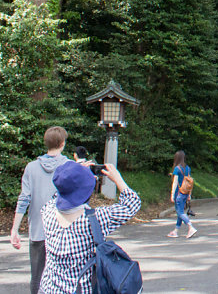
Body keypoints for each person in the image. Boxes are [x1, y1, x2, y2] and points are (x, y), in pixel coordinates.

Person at [39, 160, 141, 293]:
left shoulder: (47, 210)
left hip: (48, 289)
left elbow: (61, 191)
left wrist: (74, 174)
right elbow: (132, 204)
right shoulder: (95, 219)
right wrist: (117, 178)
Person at [10, 125, 70, 294]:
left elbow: (24, 199)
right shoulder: (69, 166)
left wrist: (15, 229)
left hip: (37, 228)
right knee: (63, 276)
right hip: (63, 229)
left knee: (36, 276)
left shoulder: (31, 167)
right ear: (62, 143)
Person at [168, 150, 196, 239]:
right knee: (180, 212)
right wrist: (189, 194)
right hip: (185, 193)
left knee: (180, 212)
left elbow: (175, 183)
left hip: (179, 194)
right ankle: (175, 231)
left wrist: (172, 195)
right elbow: (189, 182)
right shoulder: (187, 168)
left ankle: (190, 227)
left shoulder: (177, 169)